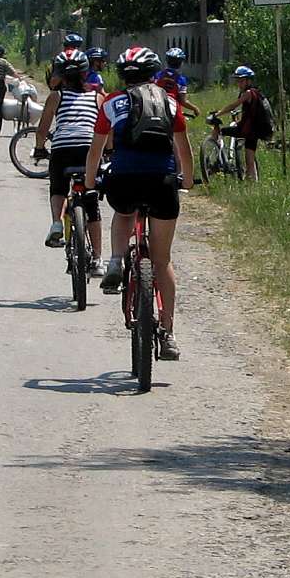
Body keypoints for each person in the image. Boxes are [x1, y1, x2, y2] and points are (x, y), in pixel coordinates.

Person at [84, 46, 193, 361]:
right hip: (162, 182)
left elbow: (96, 151)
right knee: (162, 261)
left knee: (122, 211)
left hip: (125, 181)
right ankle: (169, 334)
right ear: (154, 73)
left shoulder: (111, 102)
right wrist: (186, 180)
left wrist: (91, 183)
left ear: (123, 74)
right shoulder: (170, 103)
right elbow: (183, 151)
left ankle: (116, 259)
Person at [34, 49, 104, 274]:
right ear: (86, 73)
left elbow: (43, 128)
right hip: (89, 149)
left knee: (58, 188)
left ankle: (56, 222)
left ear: (61, 75)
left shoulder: (56, 96)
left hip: (63, 149)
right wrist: (109, 151)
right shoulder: (97, 96)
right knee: (92, 204)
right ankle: (98, 260)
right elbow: (106, 129)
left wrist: (38, 148)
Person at [213, 65, 262, 182]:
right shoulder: (255, 93)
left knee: (220, 130)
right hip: (254, 130)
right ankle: (253, 183)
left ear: (249, 81)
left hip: (249, 130)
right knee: (249, 159)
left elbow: (233, 105)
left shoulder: (248, 93)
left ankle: (218, 160)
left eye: (241, 81)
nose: (239, 84)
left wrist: (218, 114)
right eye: (238, 81)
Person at [154, 47, 200, 119]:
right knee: (181, 129)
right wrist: (195, 108)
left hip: (156, 109)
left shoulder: (157, 76)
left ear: (167, 60)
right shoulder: (181, 80)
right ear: (181, 63)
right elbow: (183, 101)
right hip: (173, 111)